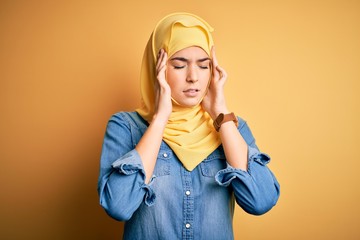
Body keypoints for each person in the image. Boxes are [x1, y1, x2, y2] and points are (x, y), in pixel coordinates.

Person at [98, 12, 280, 239]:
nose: (193, 77)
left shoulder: (233, 128)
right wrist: (161, 117)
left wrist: (220, 114)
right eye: (179, 65)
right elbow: (119, 206)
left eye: (204, 66)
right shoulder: (125, 127)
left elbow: (261, 201)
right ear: (158, 68)